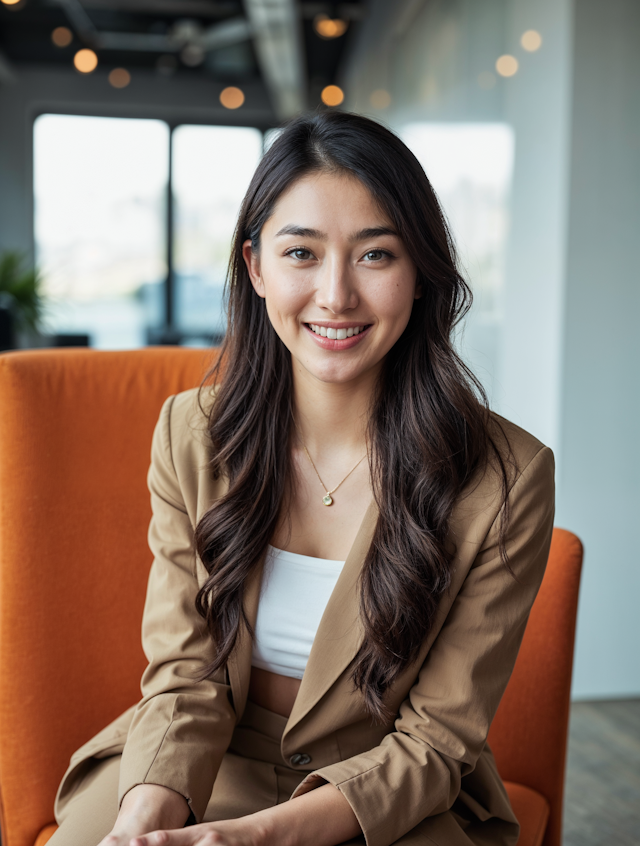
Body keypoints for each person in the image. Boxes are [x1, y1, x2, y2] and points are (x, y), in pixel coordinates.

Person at [50, 111, 554, 846]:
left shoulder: (506, 478)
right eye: (302, 254)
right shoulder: (190, 434)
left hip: (384, 790)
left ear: (419, 274)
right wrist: (142, 820)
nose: (336, 295)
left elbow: (436, 742)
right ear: (256, 268)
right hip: (204, 757)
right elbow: (187, 674)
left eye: (375, 255)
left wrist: (251, 837)